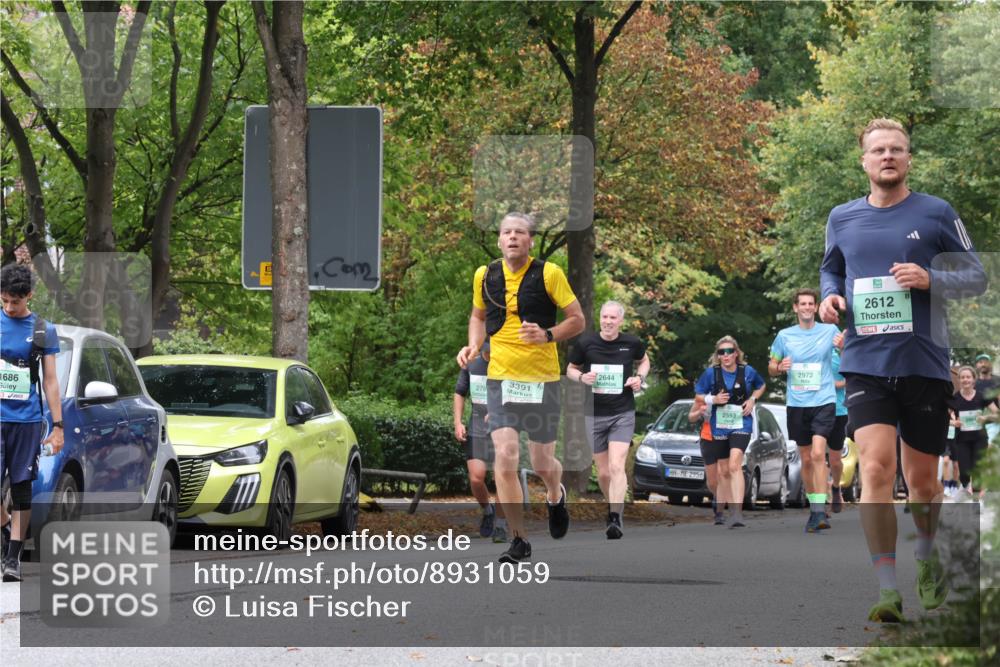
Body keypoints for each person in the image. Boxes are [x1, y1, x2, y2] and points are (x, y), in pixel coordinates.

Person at [819, 118, 987, 622]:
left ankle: (926, 557)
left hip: (924, 362)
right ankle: (887, 589)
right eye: (878, 150)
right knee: (873, 468)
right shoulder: (842, 218)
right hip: (865, 361)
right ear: (864, 161)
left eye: (896, 149)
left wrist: (929, 277)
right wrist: (829, 297)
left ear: (908, 159)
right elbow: (832, 268)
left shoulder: (935, 212)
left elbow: (976, 276)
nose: (887, 156)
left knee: (924, 485)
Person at [456, 212, 585, 563]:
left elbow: (578, 319)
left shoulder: (549, 273)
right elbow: (478, 317)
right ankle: (519, 539)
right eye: (506, 232)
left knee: (543, 464)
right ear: (499, 240)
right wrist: (472, 344)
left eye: (520, 233)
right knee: (506, 458)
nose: (512, 237)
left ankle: (555, 495)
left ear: (530, 241)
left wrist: (547, 335)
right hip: (501, 380)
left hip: (541, 381)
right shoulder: (485, 274)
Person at [566, 300, 650, 539]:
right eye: (605, 317)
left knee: (616, 466)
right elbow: (570, 369)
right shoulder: (586, 342)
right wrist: (582, 377)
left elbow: (644, 361)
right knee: (603, 473)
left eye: (613, 318)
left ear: (620, 321)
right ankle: (612, 504)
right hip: (593, 413)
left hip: (622, 412)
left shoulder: (631, 343)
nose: (608, 321)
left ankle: (615, 516)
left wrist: (639, 378)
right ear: (600, 318)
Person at [1, 264, 63, 582]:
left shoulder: (42, 329)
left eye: (16, 301)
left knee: (22, 488)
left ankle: (12, 557)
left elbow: (50, 381)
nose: (10, 307)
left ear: (30, 296)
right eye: (5, 300)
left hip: (26, 419)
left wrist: (58, 425)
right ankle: (5, 529)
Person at [769, 288, 841, 532]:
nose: (807, 307)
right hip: (797, 403)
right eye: (803, 304)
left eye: (811, 303)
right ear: (795, 308)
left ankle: (820, 511)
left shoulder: (829, 330)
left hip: (824, 400)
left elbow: (847, 352)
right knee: (807, 458)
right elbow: (771, 366)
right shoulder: (784, 336)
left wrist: (844, 345)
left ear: (815, 306)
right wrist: (779, 366)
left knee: (819, 454)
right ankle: (814, 509)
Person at [694, 336, 766, 528]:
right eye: (721, 352)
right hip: (720, 424)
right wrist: (712, 400)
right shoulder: (711, 373)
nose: (725, 356)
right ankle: (721, 506)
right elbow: (698, 394)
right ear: (718, 356)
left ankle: (737, 513)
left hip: (742, 422)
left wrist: (752, 400)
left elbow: (761, 385)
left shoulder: (747, 371)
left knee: (735, 464)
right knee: (724, 470)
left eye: (729, 352)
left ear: (736, 353)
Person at [453, 340, 507, 542]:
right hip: (477, 427)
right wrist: (458, 423)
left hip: (503, 428)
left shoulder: (507, 365)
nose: (491, 353)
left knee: (503, 477)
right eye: (488, 350)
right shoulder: (472, 365)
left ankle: (501, 525)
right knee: (476, 477)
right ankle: (488, 511)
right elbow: (459, 393)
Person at [948, 366, 999, 498]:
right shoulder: (955, 398)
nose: (965, 380)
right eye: (963, 377)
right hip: (962, 440)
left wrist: (986, 418)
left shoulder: (982, 396)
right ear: (959, 380)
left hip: (979, 439)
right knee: (964, 472)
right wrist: (954, 423)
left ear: (973, 379)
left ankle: (976, 501)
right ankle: (964, 485)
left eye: (968, 377)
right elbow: (944, 419)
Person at [689, 398, 724, 524]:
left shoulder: (733, 392)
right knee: (712, 482)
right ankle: (717, 496)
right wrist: (699, 412)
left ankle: (720, 512)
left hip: (726, 438)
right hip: (707, 438)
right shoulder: (703, 394)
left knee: (722, 475)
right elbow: (691, 417)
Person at [829, 339, 848, 512]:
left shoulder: (841, 347)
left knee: (835, 461)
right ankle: (819, 505)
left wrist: (836, 385)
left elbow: (853, 376)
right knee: (816, 456)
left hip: (839, 410)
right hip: (815, 408)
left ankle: (835, 486)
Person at [974, 354, 999, 445]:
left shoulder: (998, 381)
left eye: (986, 362)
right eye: (980, 362)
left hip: (996, 423)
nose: (983, 364)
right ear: (977, 365)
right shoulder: (974, 385)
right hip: (980, 425)